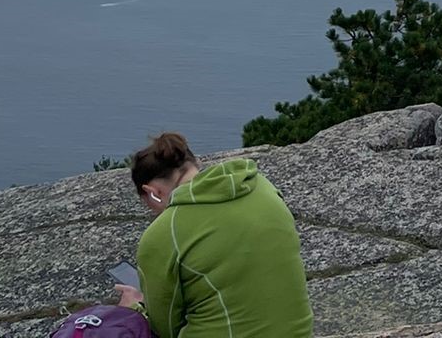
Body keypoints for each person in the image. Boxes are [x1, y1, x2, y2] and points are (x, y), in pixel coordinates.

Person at [116, 132, 313, 338]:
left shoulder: (165, 232)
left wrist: (134, 309)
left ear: (153, 192)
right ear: (195, 164)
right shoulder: (262, 187)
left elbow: (164, 329)